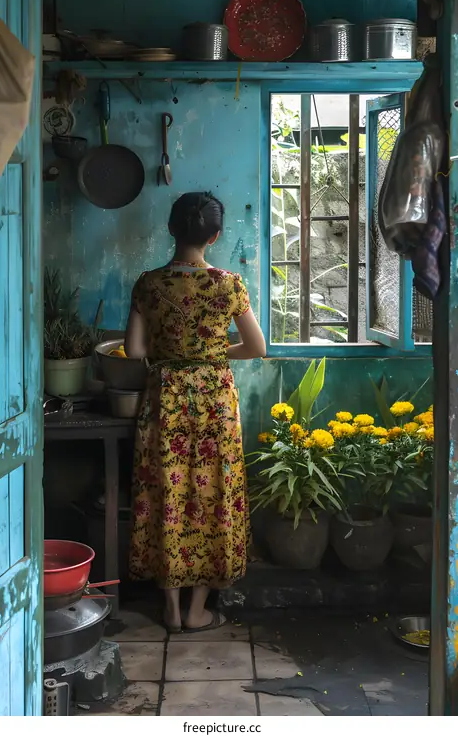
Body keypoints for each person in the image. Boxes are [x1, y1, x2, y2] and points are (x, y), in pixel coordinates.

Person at [124, 191, 265, 633]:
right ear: (215, 236)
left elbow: (134, 349)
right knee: (211, 495)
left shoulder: (149, 283)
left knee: (165, 491)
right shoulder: (228, 284)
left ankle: (168, 607)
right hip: (213, 400)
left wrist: (173, 352)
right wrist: (211, 349)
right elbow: (257, 347)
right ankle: (197, 608)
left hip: (164, 398)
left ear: (171, 228)